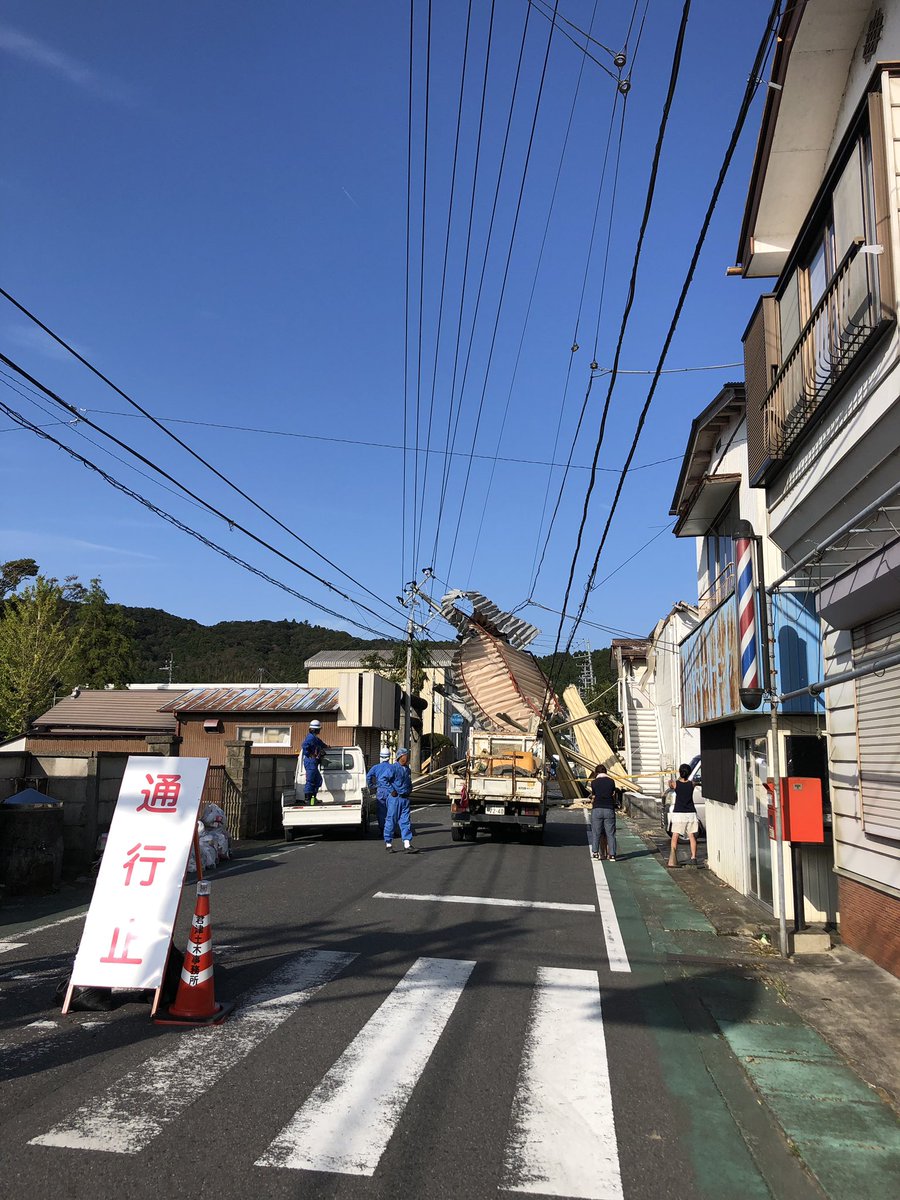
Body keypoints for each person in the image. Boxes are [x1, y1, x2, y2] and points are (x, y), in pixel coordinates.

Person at [385, 747, 418, 854]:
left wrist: (410, 790)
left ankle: (407, 844)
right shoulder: (393, 768)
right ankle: (388, 843)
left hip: (405, 799)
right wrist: (391, 790)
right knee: (391, 820)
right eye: (406, 755)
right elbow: (383, 779)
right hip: (395, 799)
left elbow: (408, 782)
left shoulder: (407, 769)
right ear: (400, 757)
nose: (407, 757)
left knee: (406, 821)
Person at [668, 762, 700, 867]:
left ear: (680, 772)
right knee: (692, 836)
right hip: (691, 812)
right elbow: (696, 782)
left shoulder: (675, 784)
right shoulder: (692, 784)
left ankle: (673, 858)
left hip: (678, 813)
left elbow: (670, 784)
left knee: (675, 835)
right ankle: (693, 857)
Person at [589, 764, 617, 861]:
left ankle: (595, 852)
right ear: (606, 772)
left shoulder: (594, 783)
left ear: (596, 772)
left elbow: (594, 795)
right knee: (610, 833)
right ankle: (612, 855)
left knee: (596, 832)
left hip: (597, 808)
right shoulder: (611, 782)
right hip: (609, 808)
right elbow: (613, 793)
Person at [366, 748, 393, 836]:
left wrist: (371, 786)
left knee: (381, 811)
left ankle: (382, 830)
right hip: (391, 791)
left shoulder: (376, 767)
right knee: (391, 812)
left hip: (380, 791)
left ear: (380, 756)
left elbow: (368, 777)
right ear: (389, 757)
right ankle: (390, 831)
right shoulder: (392, 767)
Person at [301, 719, 327, 805]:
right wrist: (310, 754)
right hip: (310, 761)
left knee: (318, 780)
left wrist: (326, 746)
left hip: (313, 762)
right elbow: (304, 746)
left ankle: (313, 798)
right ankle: (307, 799)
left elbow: (320, 743)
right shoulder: (310, 738)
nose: (320, 730)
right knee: (311, 780)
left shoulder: (314, 738)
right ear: (316, 729)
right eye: (319, 729)